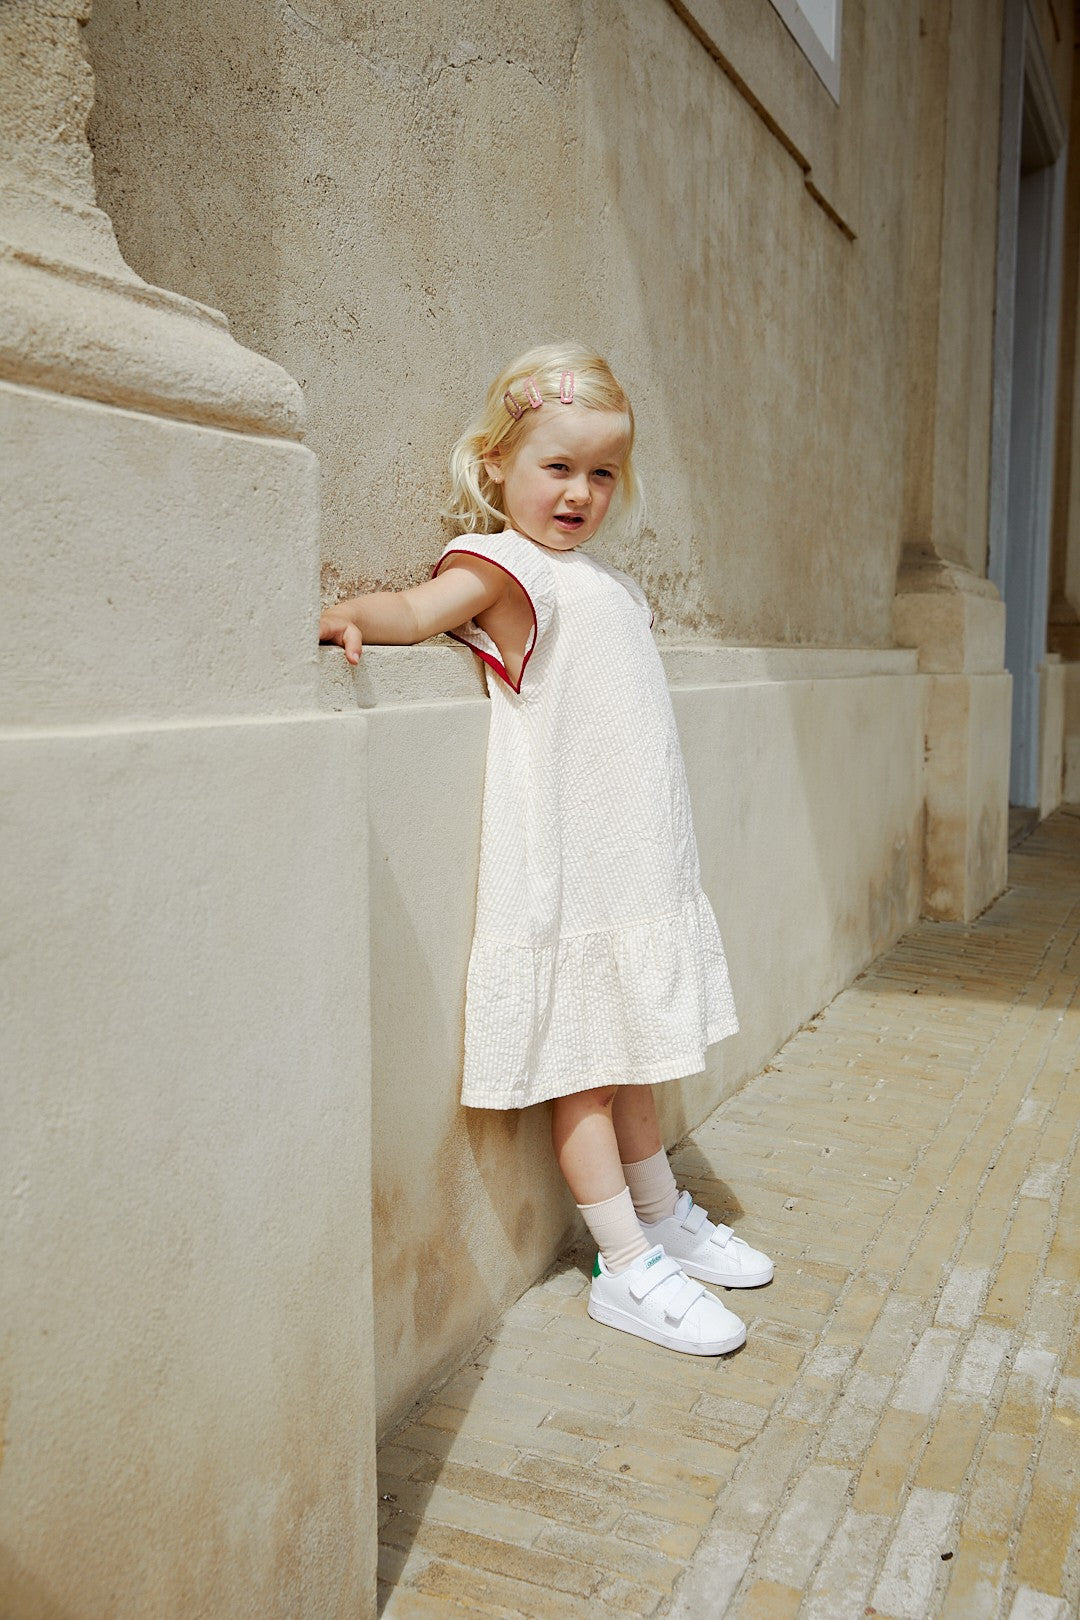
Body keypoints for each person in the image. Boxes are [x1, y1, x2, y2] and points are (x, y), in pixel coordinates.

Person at [320, 343, 773, 1356]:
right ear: (496, 465)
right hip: (573, 874)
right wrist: (356, 614)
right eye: (556, 467)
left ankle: (661, 1217)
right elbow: (419, 610)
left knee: (641, 1060)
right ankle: (624, 1261)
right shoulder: (505, 565)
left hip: (638, 865)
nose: (579, 492)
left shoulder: (605, 584)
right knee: (592, 1079)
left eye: (601, 473)